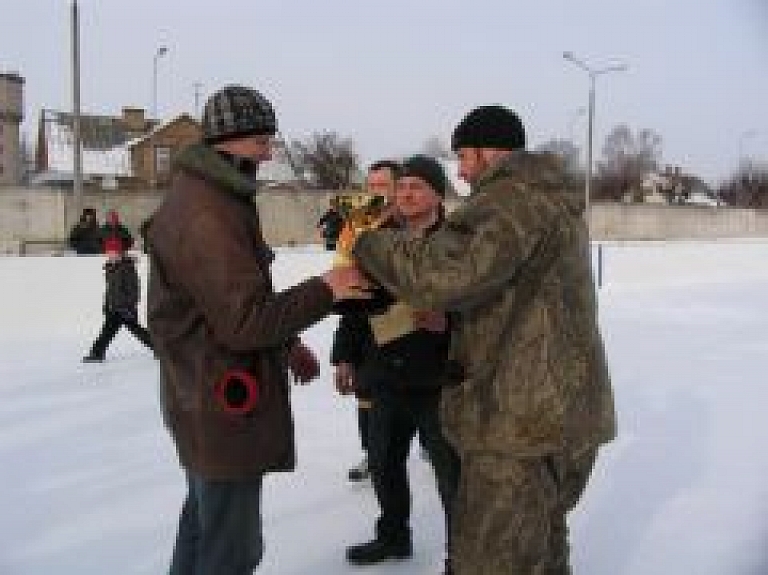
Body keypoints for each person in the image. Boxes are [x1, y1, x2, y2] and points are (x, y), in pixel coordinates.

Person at [351, 105, 617, 574]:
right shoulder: (550, 199)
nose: (461, 171)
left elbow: (445, 277)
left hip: (519, 420)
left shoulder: (509, 200)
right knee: (543, 549)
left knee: (491, 559)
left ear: (487, 151)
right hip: (567, 416)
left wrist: (368, 242)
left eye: (464, 158)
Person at [143, 84, 365, 575]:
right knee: (230, 549)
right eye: (261, 142)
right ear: (230, 140)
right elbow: (243, 321)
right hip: (218, 400)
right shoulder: (207, 212)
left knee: (204, 524)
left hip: (203, 396)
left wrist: (286, 345)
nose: (268, 153)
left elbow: (228, 301)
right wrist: (329, 287)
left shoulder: (218, 194)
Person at [336, 155, 460, 574]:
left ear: (437, 194)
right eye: (402, 187)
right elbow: (355, 301)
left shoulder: (459, 242)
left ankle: (460, 556)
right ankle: (393, 536)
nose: (406, 194)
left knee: (451, 476)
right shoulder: (377, 238)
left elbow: (485, 304)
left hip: (440, 380)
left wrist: (448, 322)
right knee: (384, 463)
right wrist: (346, 356)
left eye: (417, 187)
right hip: (385, 374)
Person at [333, 159, 401, 483]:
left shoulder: (409, 228)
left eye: (382, 186)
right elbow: (346, 294)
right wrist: (343, 355)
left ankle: (427, 445)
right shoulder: (356, 227)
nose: (374, 193)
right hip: (364, 333)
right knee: (366, 401)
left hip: (408, 337)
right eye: (370, 186)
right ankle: (372, 455)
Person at [82, 236, 153, 362]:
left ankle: (96, 353)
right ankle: (97, 353)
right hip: (114, 308)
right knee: (111, 332)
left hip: (125, 308)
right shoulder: (110, 268)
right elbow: (110, 291)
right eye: (108, 252)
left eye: (112, 252)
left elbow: (134, 289)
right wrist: (107, 304)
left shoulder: (127, 268)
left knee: (135, 332)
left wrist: (129, 306)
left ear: (119, 252)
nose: (109, 254)